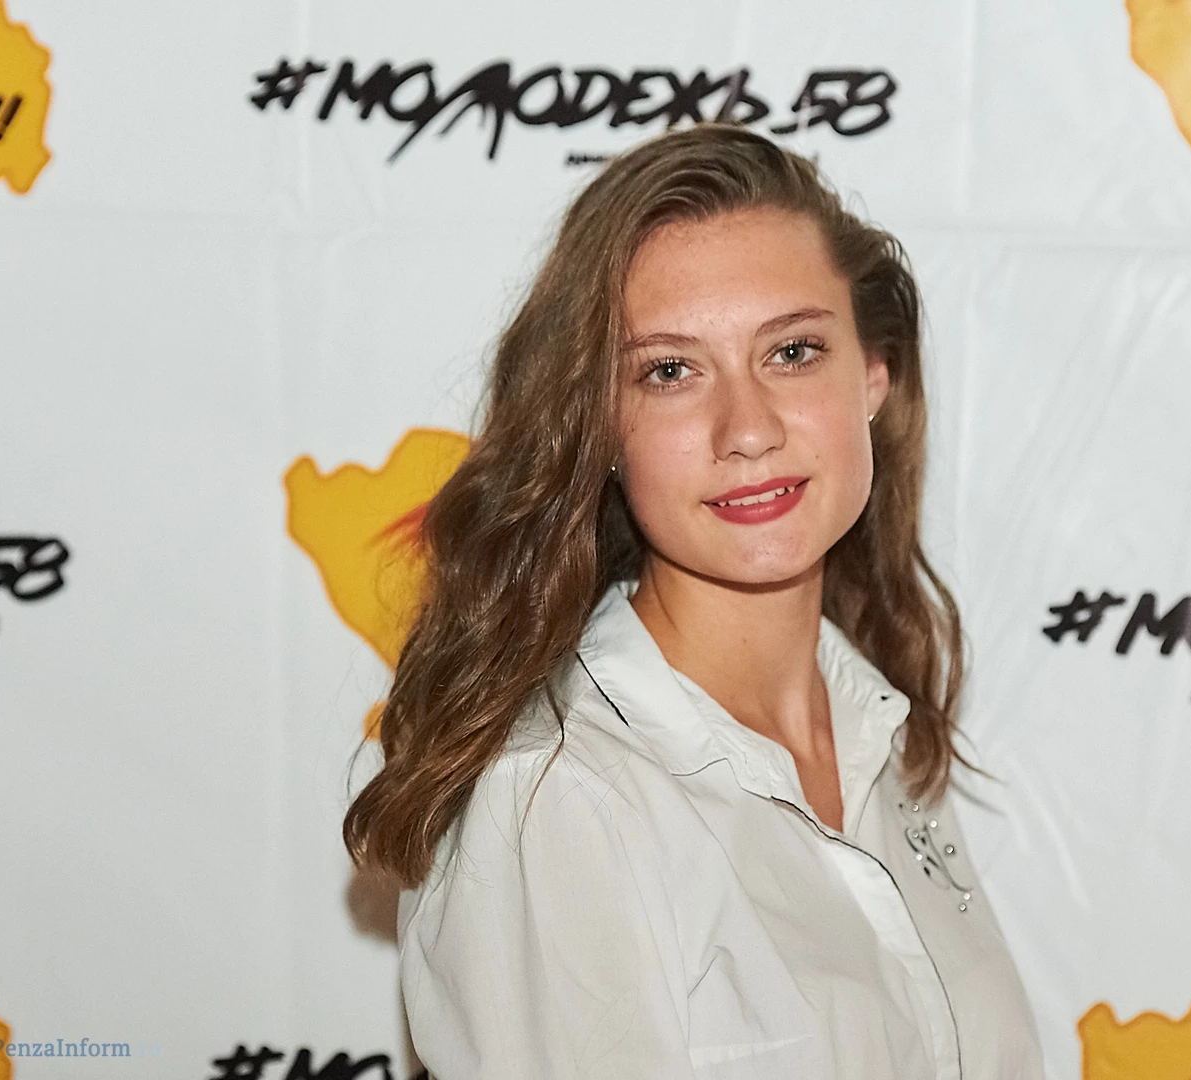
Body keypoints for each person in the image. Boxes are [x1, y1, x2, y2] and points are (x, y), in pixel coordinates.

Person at [343, 123, 1043, 1080]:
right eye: (670, 371)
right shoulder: (557, 800)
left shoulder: (879, 726)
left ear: (873, 376)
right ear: (599, 427)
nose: (746, 429)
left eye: (792, 351)